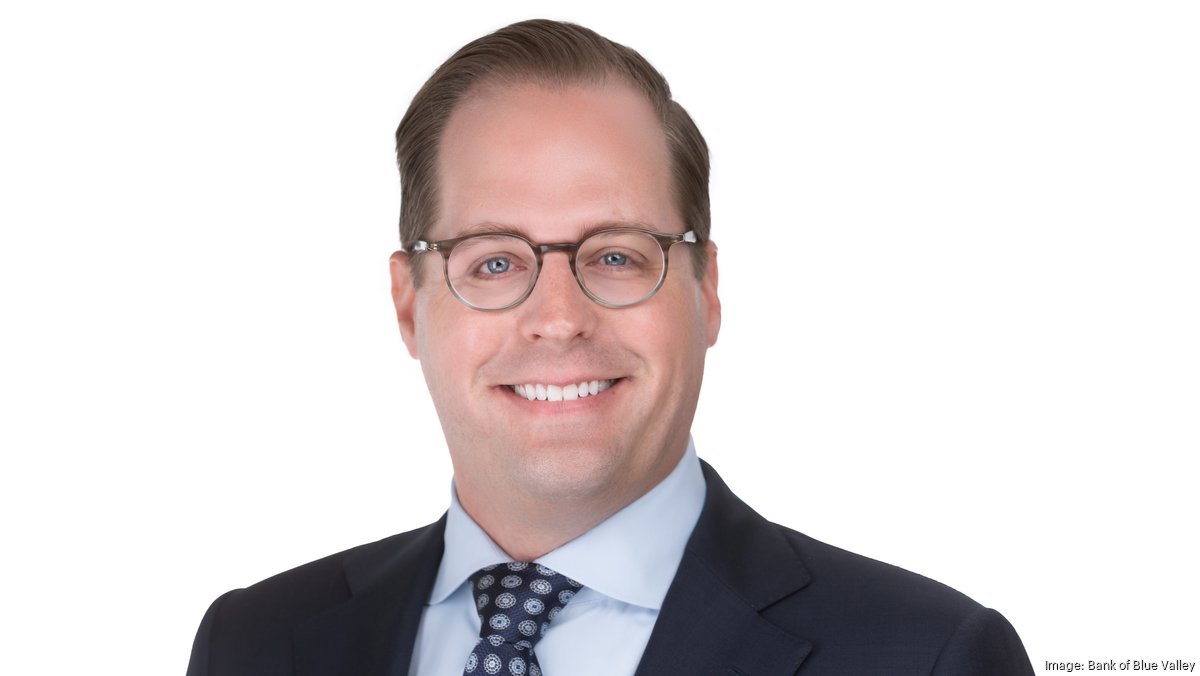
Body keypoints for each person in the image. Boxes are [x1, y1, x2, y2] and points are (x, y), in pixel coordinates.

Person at [187, 19, 1034, 676]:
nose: (559, 318)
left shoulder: (929, 656)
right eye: (494, 261)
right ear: (409, 306)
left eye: (618, 256)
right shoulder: (256, 643)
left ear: (706, 290)